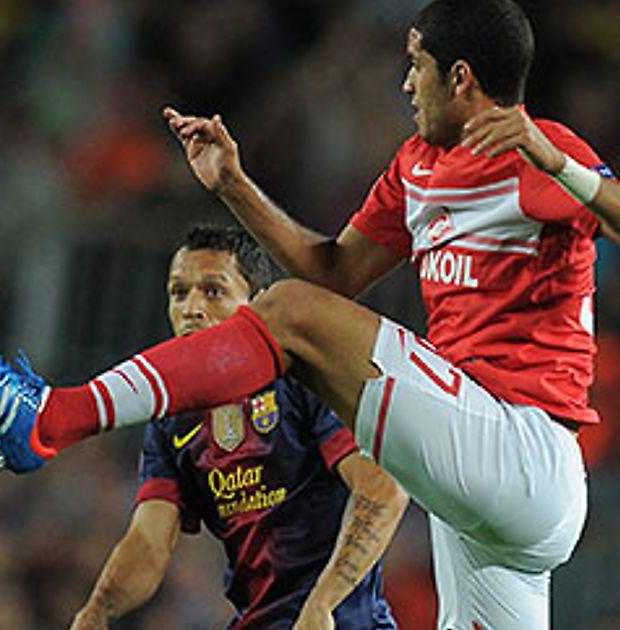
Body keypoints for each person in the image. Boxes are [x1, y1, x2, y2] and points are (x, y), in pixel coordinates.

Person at [0, 0, 620, 627]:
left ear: (460, 77)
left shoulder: (536, 153)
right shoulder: (418, 167)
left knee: (287, 312)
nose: (406, 83)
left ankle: (50, 417)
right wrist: (235, 187)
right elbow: (334, 271)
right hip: (479, 494)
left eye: (416, 65)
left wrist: (563, 168)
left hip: (523, 451)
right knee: (295, 307)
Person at [69, 225, 406, 629]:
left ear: (259, 304)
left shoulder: (305, 380)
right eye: (179, 293)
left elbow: (383, 488)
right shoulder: (171, 419)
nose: (192, 309)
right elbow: (150, 540)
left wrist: (323, 604)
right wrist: (97, 612)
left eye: (213, 291)